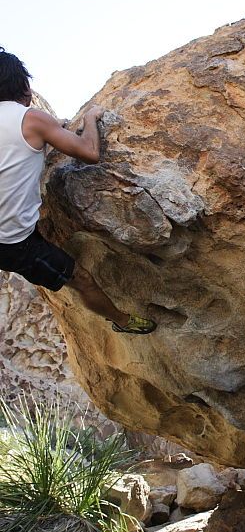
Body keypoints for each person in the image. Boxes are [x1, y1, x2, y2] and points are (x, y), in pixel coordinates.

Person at [0, 47, 156, 335]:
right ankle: (123, 321)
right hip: (12, 244)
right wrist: (89, 119)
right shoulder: (32, 119)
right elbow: (90, 152)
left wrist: (51, 131)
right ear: (22, 85)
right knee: (80, 278)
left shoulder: (31, 124)